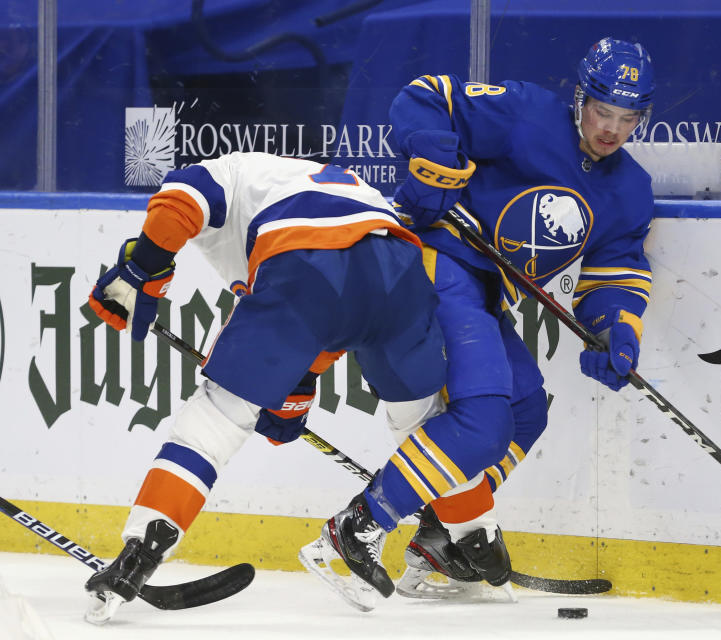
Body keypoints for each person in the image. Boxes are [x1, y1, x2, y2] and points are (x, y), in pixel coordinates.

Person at [82, 151, 451, 621]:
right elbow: (345, 305)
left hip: (303, 263)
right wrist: (298, 385)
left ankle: (144, 548)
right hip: (402, 271)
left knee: (216, 420)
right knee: (424, 423)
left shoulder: (232, 170)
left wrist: (142, 268)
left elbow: (176, 202)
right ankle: (468, 535)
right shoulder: (340, 184)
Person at [379, 36, 658, 598]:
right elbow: (427, 95)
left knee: (527, 410)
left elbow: (614, 274)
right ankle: (376, 521)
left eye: (628, 118)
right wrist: (432, 152)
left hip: (485, 290)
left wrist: (615, 328)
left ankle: (439, 528)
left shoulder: (629, 190)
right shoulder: (525, 111)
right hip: (436, 259)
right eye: (603, 111)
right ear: (580, 98)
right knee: (485, 414)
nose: (611, 129)